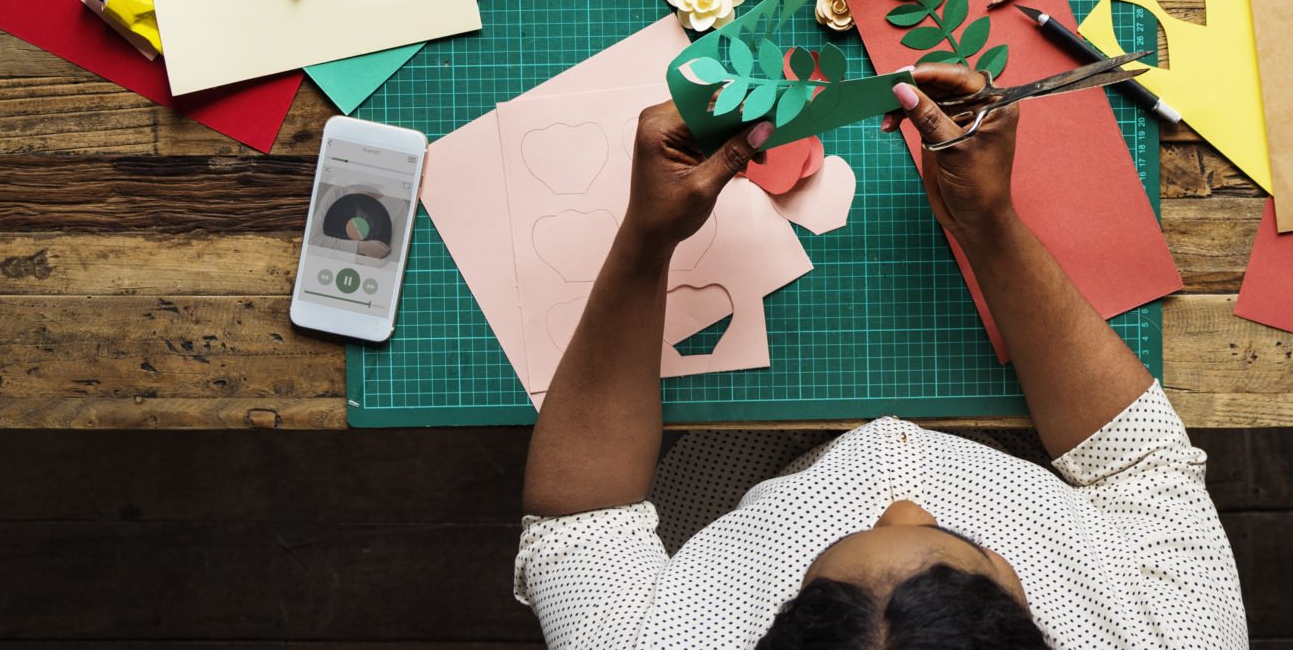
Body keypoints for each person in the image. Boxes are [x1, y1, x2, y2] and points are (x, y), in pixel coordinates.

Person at [515, 62, 1245, 648]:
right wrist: (986, 221)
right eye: (960, 540)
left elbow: (582, 521)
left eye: (812, 580)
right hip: (1028, 445)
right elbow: (1136, 465)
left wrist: (646, 242)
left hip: (731, 469)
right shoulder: (1177, 634)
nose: (899, 504)